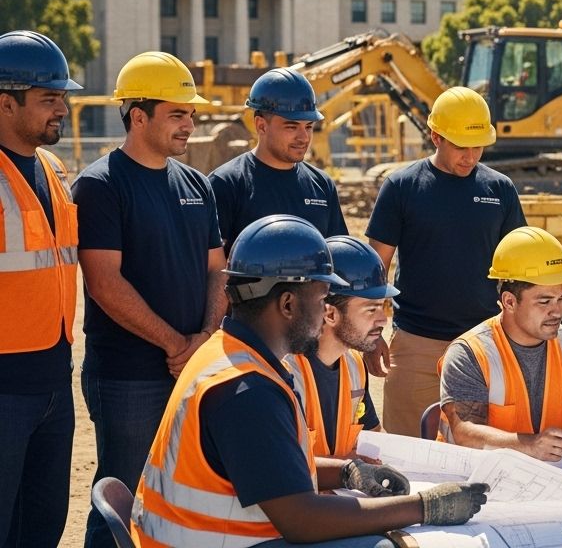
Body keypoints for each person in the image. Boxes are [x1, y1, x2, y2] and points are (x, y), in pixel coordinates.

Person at [131, 214, 489, 547]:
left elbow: (271, 468)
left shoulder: (231, 355)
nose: (325, 313)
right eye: (320, 299)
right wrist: (424, 507)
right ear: (287, 304)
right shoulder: (247, 389)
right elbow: (302, 520)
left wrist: (347, 472)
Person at [72, 51, 228, 548]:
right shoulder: (100, 185)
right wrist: (175, 345)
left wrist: (201, 341)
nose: (189, 124)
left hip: (190, 368)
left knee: (182, 494)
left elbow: (217, 269)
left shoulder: (197, 184)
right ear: (138, 116)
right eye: (178, 114)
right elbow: (104, 282)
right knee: (121, 498)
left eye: (191, 114)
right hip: (127, 377)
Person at [365, 86, 526, 435]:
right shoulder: (402, 187)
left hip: (485, 346)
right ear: (435, 136)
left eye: (478, 146)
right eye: (460, 147)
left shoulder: (499, 190)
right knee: (409, 455)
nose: (470, 156)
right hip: (417, 346)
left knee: (484, 459)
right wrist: (371, 333)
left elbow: (519, 271)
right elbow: (376, 267)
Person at [439, 227, 562, 463]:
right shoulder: (470, 353)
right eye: (544, 301)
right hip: (476, 482)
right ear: (509, 302)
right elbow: (465, 433)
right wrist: (529, 445)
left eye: (561, 299)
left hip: (552, 482)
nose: (556, 311)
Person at [0, 30, 82, 547]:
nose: (63, 110)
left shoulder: (52, 169)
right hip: (4, 389)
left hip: (55, 382)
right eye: (49, 99)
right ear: (6, 103)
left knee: (43, 526)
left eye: (63, 98)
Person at [210, 67, 347, 252]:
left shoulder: (322, 186)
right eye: (291, 127)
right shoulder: (226, 185)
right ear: (261, 125)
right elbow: (212, 268)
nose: (304, 137)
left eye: (308, 127)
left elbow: (338, 257)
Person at [285, 236, 397, 458]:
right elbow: (286, 468)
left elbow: (374, 441)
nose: (383, 320)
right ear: (330, 314)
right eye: (371, 309)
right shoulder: (283, 373)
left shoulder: (354, 364)